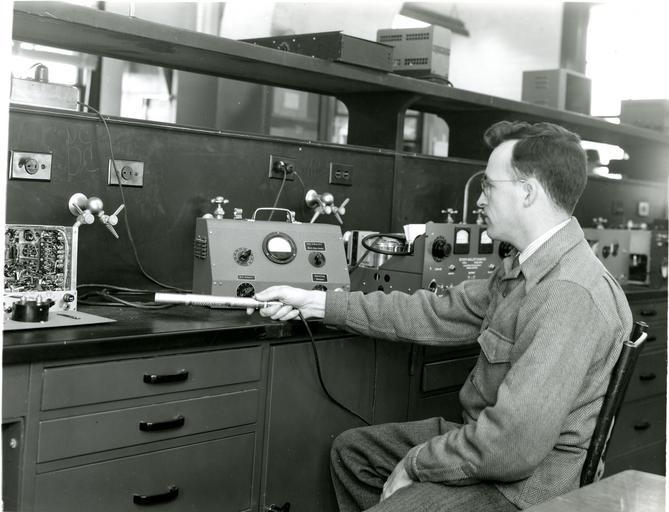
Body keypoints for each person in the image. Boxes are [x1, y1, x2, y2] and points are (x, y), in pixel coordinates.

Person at [247, 121, 633, 511]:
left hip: (523, 488)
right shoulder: (527, 268)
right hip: (491, 446)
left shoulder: (567, 293)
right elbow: (434, 311)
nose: (480, 200)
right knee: (355, 453)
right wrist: (316, 303)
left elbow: (511, 448)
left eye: (488, 186)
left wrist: (414, 466)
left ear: (528, 192)